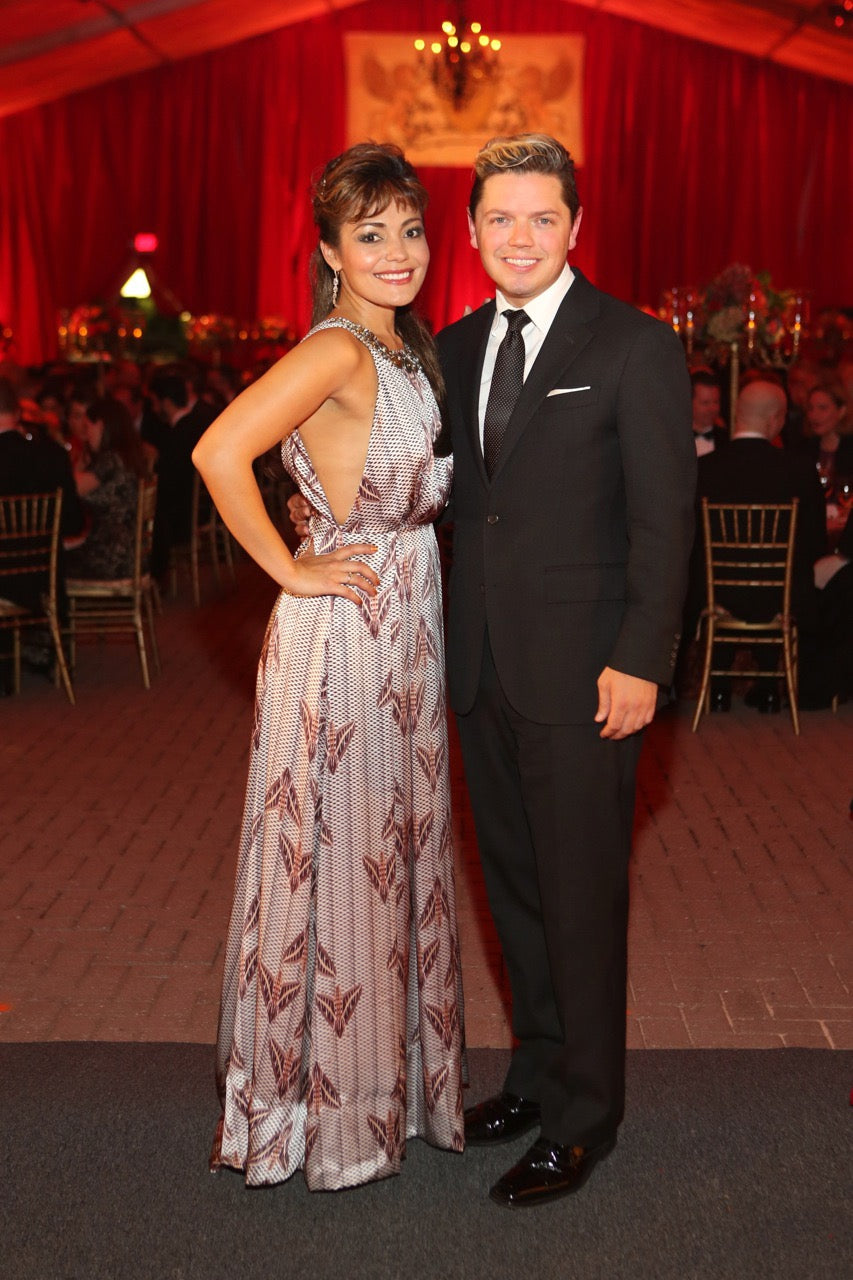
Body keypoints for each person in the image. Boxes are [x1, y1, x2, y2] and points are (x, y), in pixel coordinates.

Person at [193, 143, 465, 1193]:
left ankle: (381, 1095)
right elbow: (219, 451)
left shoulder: (402, 347)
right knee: (347, 863)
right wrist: (290, 569)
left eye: (410, 230)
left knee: (391, 855)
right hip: (347, 636)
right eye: (370, 234)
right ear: (330, 252)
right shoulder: (339, 351)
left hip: (405, 626)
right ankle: (325, 1119)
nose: (397, 252)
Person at [437, 135, 695, 1208]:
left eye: (542, 217)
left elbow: (664, 521)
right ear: (471, 231)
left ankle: (585, 1117)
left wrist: (640, 659)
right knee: (515, 889)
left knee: (581, 899)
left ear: (575, 227)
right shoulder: (452, 347)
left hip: (589, 678)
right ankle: (537, 1074)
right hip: (480, 668)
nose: (521, 237)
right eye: (500, 218)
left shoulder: (633, 345)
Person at [689, 379, 826, 712]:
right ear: (775, 419)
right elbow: (815, 543)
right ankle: (769, 686)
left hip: (714, 596)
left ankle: (718, 687)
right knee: (805, 579)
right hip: (779, 597)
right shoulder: (799, 470)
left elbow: (689, 541)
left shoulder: (703, 469)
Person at [65, 397, 149, 579]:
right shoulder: (126, 456)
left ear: (101, 426)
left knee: (48, 564)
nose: (86, 434)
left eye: (87, 427)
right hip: (130, 553)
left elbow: (71, 488)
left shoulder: (110, 460)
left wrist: (82, 455)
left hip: (111, 558)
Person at [690, 368, 728, 456]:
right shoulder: (676, 438)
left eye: (716, 402)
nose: (712, 408)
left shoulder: (726, 439)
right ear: (689, 403)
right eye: (705, 403)